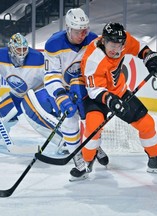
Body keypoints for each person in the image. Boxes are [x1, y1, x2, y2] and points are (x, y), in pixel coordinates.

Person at [80, 22, 157, 174]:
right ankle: (86, 163)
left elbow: (140, 48)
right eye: (112, 45)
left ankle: (155, 161)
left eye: (119, 46)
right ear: (103, 41)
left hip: (119, 92)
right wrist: (110, 100)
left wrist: (150, 58)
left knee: (147, 123)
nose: (116, 49)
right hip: (97, 97)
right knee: (93, 127)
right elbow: (94, 90)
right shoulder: (92, 58)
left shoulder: (122, 41)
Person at [43, 8, 109, 181]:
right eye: (79, 31)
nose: (83, 35)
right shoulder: (53, 44)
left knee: (92, 119)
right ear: (68, 29)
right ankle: (78, 158)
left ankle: (93, 146)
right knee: (69, 122)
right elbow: (51, 75)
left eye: (85, 31)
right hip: (63, 88)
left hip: (86, 86)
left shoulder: (94, 40)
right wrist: (60, 96)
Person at [0, 33, 63, 152]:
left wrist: (56, 102)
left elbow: (52, 78)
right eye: (19, 49)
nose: (22, 53)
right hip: (17, 95)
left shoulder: (38, 58)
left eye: (24, 49)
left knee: (37, 114)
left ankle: (64, 139)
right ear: (11, 49)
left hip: (37, 92)